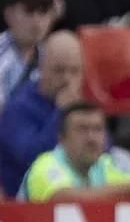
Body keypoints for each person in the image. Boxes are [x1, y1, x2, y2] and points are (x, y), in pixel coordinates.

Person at [19, 100, 130, 201]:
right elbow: (65, 199)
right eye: (82, 129)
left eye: (98, 129)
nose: (91, 137)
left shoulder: (104, 165)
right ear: (62, 139)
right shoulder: (46, 165)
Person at [0, 30, 82, 197]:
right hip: (25, 201)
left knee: (122, 158)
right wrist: (61, 113)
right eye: (59, 70)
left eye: (74, 71)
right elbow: (32, 159)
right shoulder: (18, 108)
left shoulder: (81, 105)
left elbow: (102, 149)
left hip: (77, 191)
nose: (67, 79)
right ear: (42, 68)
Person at [0, 0, 52, 109]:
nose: (37, 22)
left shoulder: (51, 56)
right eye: (29, 12)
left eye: (43, 12)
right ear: (8, 14)